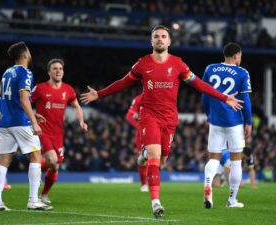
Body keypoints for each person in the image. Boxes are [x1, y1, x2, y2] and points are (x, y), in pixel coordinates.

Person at [80, 25, 243, 218]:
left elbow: (199, 84)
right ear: (151, 41)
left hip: (169, 119)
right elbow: (123, 82)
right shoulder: (142, 64)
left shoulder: (178, 64)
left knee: (162, 161)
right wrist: (99, 94)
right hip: (149, 115)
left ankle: (146, 154)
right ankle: (156, 202)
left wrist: (224, 98)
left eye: (163, 36)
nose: (159, 39)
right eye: (156, 36)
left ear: (169, 41)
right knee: (154, 156)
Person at [0, 41, 52, 211]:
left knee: (4, 159)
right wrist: (33, 121)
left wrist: (32, 114)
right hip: (20, 121)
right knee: (36, 156)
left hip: (5, 121)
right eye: (29, 52)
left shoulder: (6, 73)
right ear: (25, 54)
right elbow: (23, 98)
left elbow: (9, 100)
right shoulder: (25, 72)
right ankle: (33, 200)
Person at [31, 58, 88, 205]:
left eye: (60, 69)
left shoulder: (68, 90)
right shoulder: (40, 88)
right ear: (49, 71)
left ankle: (43, 194)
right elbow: (24, 103)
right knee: (52, 160)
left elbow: (76, 106)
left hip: (58, 133)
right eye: (55, 68)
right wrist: (32, 117)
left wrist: (81, 121)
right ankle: (34, 166)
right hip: (42, 131)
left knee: (55, 166)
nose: (58, 71)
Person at [202, 42, 252, 209]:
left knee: (213, 158)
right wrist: (249, 122)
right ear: (236, 55)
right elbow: (245, 100)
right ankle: (232, 200)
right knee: (236, 161)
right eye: (241, 56)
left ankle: (208, 187)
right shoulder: (242, 72)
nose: (240, 59)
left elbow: (205, 95)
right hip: (235, 123)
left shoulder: (210, 68)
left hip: (215, 121)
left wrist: (208, 114)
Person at [125, 94, 148, 192]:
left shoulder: (159, 96)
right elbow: (129, 116)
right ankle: (144, 185)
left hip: (157, 132)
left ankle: (152, 182)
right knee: (144, 160)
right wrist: (140, 127)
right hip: (143, 135)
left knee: (156, 158)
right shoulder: (138, 99)